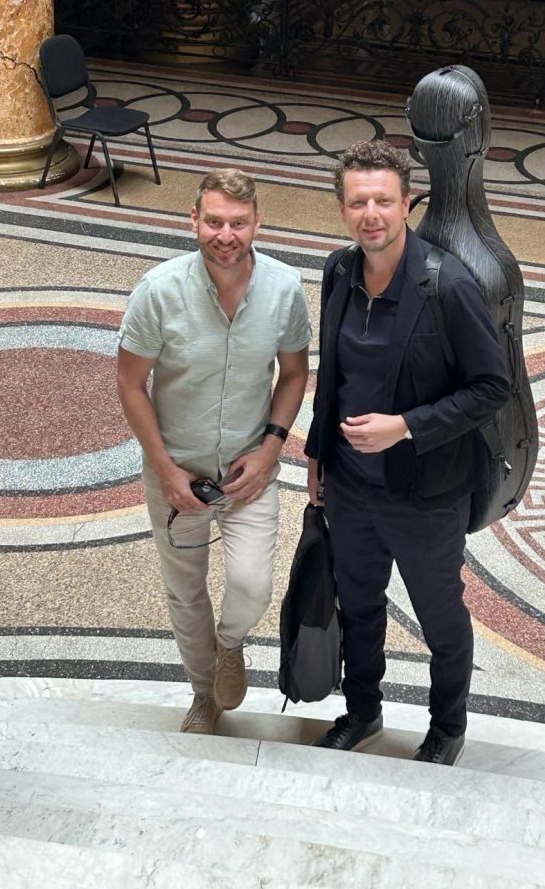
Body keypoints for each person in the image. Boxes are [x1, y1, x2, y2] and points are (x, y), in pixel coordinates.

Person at [305, 139, 510, 764]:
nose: (371, 214)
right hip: (351, 486)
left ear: (406, 204)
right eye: (358, 202)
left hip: (427, 493)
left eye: (383, 201)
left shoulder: (448, 285)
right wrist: (317, 455)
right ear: (342, 209)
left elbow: (491, 387)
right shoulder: (339, 272)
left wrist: (406, 427)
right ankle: (362, 711)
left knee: (440, 618)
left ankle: (447, 726)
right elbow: (333, 375)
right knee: (359, 607)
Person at [118, 168, 310, 735]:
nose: (226, 235)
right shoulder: (158, 291)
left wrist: (271, 449)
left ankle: (229, 645)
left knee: (251, 584)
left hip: (250, 469)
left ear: (257, 224)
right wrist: (166, 470)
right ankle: (204, 694)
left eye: (239, 223)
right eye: (215, 222)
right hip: (176, 471)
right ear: (194, 220)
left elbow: (294, 373)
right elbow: (130, 383)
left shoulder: (284, 289)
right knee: (185, 592)